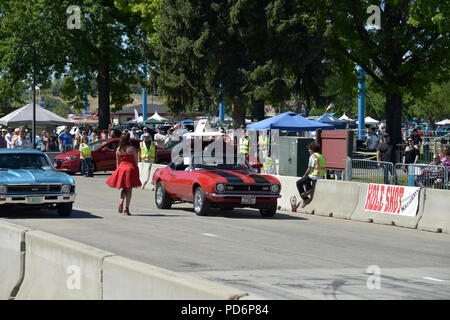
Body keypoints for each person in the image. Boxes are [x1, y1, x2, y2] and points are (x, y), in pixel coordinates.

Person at [105, 133, 141, 215]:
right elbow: (136, 161)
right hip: (130, 169)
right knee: (129, 189)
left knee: (123, 189)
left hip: (121, 169)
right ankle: (127, 208)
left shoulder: (118, 149)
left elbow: (117, 162)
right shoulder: (132, 148)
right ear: (129, 140)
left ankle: (121, 202)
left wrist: (118, 171)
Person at [296, 141, 326, 208]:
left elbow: (309, 168)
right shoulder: (321, 156)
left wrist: (304, 175)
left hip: (314, 175)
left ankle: (305, 199)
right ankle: (309, 189)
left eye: (309, 149)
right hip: (321, 176)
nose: (309, 151)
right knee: (306, 179)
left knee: (298, 182)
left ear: (313, 150)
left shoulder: (313, 156)